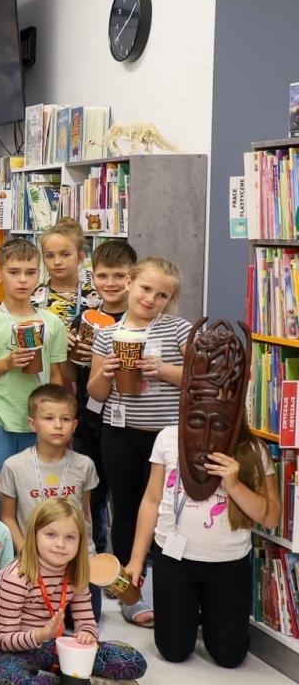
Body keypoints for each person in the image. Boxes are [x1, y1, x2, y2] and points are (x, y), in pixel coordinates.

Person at [89, 256, 190, 626]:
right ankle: (129, 592)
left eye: (162, 295)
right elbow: (95, 393)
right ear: (129, 283)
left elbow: (198, 380)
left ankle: (165, 588)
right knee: (127, 509)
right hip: (120, 434)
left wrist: (163, 370)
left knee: (170, 512)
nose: (151, 299)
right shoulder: (107, 333)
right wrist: (106, 372)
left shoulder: (178, 330)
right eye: (146, 288)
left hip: (168, 440)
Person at [129, 421, 279, 668]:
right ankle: (192, 614)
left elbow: (271, 517)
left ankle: (208, 614)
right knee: (173, 651)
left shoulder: (253, 449)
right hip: (174, 559)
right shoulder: (169, 437)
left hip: (228, 564)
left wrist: (235, 485)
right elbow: (152, 499)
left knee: (230, 656)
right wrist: (137, 559)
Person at [0, 499, 146, 685]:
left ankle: (72, 678)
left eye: (70, 537)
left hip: (55, 644)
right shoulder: (16, 576)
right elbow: (4, 640)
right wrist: (41, 634)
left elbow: (87, 621)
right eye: (51, 535)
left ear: (80, 541)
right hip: (12, 650)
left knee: (134, 662)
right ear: (34, 534)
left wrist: (87, 634)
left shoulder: (76, 573)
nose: (60, 544)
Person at [0, 238, 72, 482]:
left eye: (30, 273)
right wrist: (7, 363)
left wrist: (56, 415)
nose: (23, 280)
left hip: (38, 422)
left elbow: (56, 374)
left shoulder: (52, 323)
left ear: (39, 276)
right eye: (14, 272)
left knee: (36, 486)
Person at [71, 239, 137, 554]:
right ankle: (92, 563)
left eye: (119, 276)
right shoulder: (83, 318)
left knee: (127, 498)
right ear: (92, 277)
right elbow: (71, 377)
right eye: (103, 276)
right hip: (89, 419)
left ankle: (129, 569)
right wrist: (74, 355)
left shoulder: (140, 322)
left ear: (133, 277)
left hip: (129, 422)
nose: (110, 283)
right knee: (89, 495)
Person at [0, 385, 97, 554]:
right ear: (32, 424)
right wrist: (24, 551)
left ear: (74, 425)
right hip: (32, 557)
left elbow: (85, 514)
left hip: (73, 556)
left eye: (65, 419)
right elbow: (7, 517)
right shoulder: (14, 466)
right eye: (49, 418)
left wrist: (86, 554)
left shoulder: (84, 464)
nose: (58, 425)